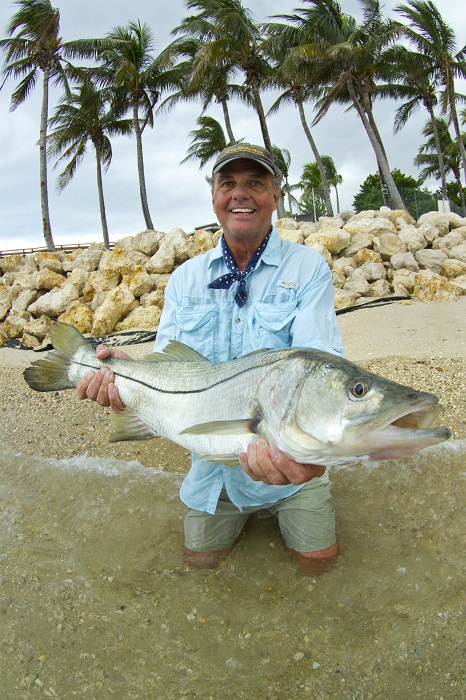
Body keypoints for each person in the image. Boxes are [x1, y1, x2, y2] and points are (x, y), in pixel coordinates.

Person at [76, 143, 344, 575]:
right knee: (198, 567)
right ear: (214, 196)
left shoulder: (308, 268)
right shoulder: (185, 278)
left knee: (321, 566)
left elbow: (319, 367)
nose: (241, 194)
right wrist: (127, 375)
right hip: (211, 473)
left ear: (275, 195)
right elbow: (170, 371)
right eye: (228, 183)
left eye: (255, 182)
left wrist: (313, 460)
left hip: (293, 465)